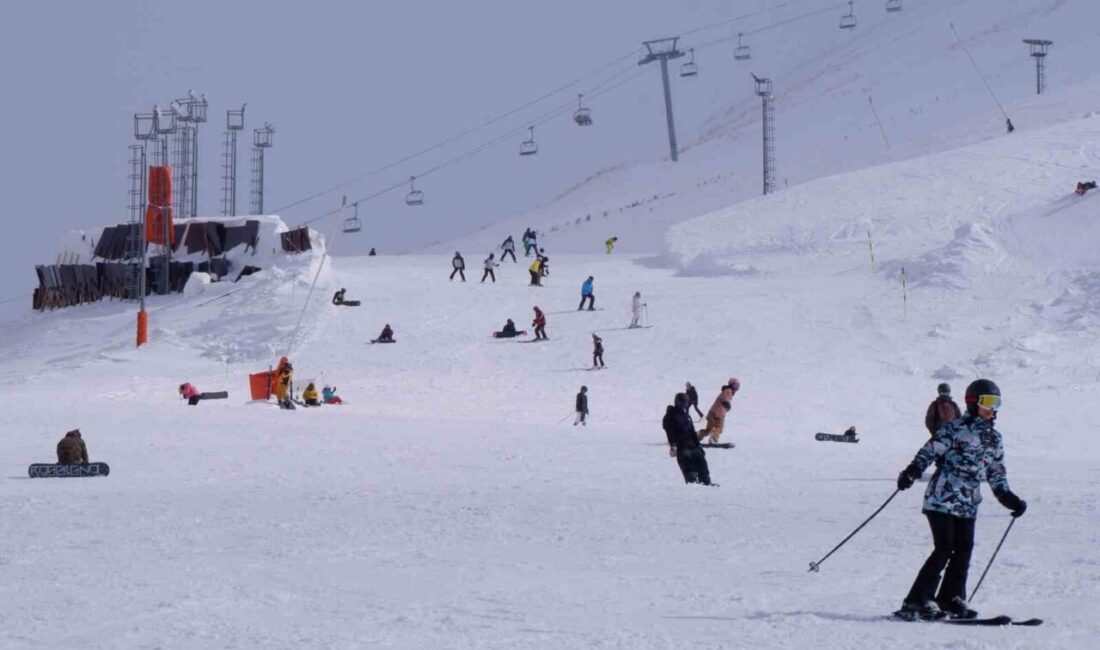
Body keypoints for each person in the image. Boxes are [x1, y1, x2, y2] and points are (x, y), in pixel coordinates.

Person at [894, 378, 1027, 621]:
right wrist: (912, 472)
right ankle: (917, 601)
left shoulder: (994, 439)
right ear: (973, 402)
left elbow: (996, 473)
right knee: (944, 548)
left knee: (964, 550)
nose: (992, 407)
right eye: (988, 402)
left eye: (997, 402)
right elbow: (930, 450)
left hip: (968, 502)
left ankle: (950, 599)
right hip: (942, 497)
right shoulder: (955, 428)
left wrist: (1010, 499)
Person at [663, 393, 711, 485]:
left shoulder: (686, 416)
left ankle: (706, 483)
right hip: (682, 447)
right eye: (684, 402)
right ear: (678, 402)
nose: (686, 404)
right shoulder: (670, 416)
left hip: (693, 446)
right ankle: (692, 485)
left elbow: (692, 432)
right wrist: (673, 445)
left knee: (702, 463)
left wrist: (698, 445)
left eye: (686, 402)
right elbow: (669, 431)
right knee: (688, 467)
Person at [698, 378, 740, 444]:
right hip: (718, 414)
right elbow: (725, 401)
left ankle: (697, 436)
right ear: (731, 385)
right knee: (719, 428)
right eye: (735, 385)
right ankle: (713, 438)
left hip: (712, 413)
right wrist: (728, 406)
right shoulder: (728, 391)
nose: (737, 388)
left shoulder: (727, 391)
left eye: (738, 386)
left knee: (708, 430)